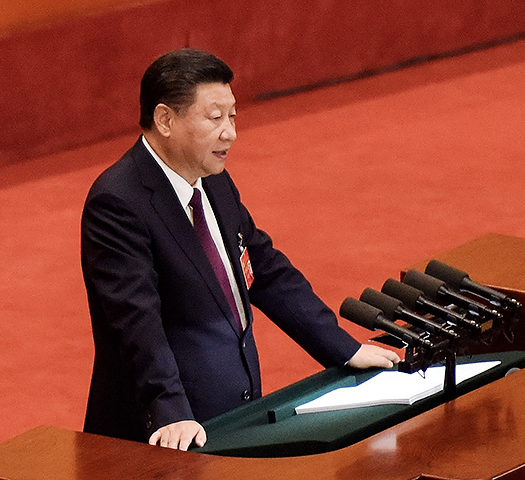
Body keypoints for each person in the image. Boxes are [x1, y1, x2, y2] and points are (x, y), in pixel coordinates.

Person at [80, 48, 399, 451]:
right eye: (215, 118)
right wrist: (170, 409)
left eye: (232, 117)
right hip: (167, 433)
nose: (230, 133)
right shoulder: (118, 202)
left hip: (237, 416)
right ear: (165, 120)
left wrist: (343, 347)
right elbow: (135, 321)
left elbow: (264, 269)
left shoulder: (213, 180)